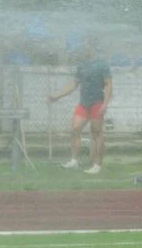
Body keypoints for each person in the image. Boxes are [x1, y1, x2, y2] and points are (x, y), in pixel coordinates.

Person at [47, 47, 112, 175]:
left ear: (93, 49)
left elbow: (109, 84)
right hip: (83, 103)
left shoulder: (102, 64)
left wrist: (105, 104)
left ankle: (97, 165)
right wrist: (57, 95)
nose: (84, 49)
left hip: (97, 103)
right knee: (75, 129)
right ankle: (74, 161)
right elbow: (74, 85)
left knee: (97, 134)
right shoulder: (81, 65)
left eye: (87, 46)